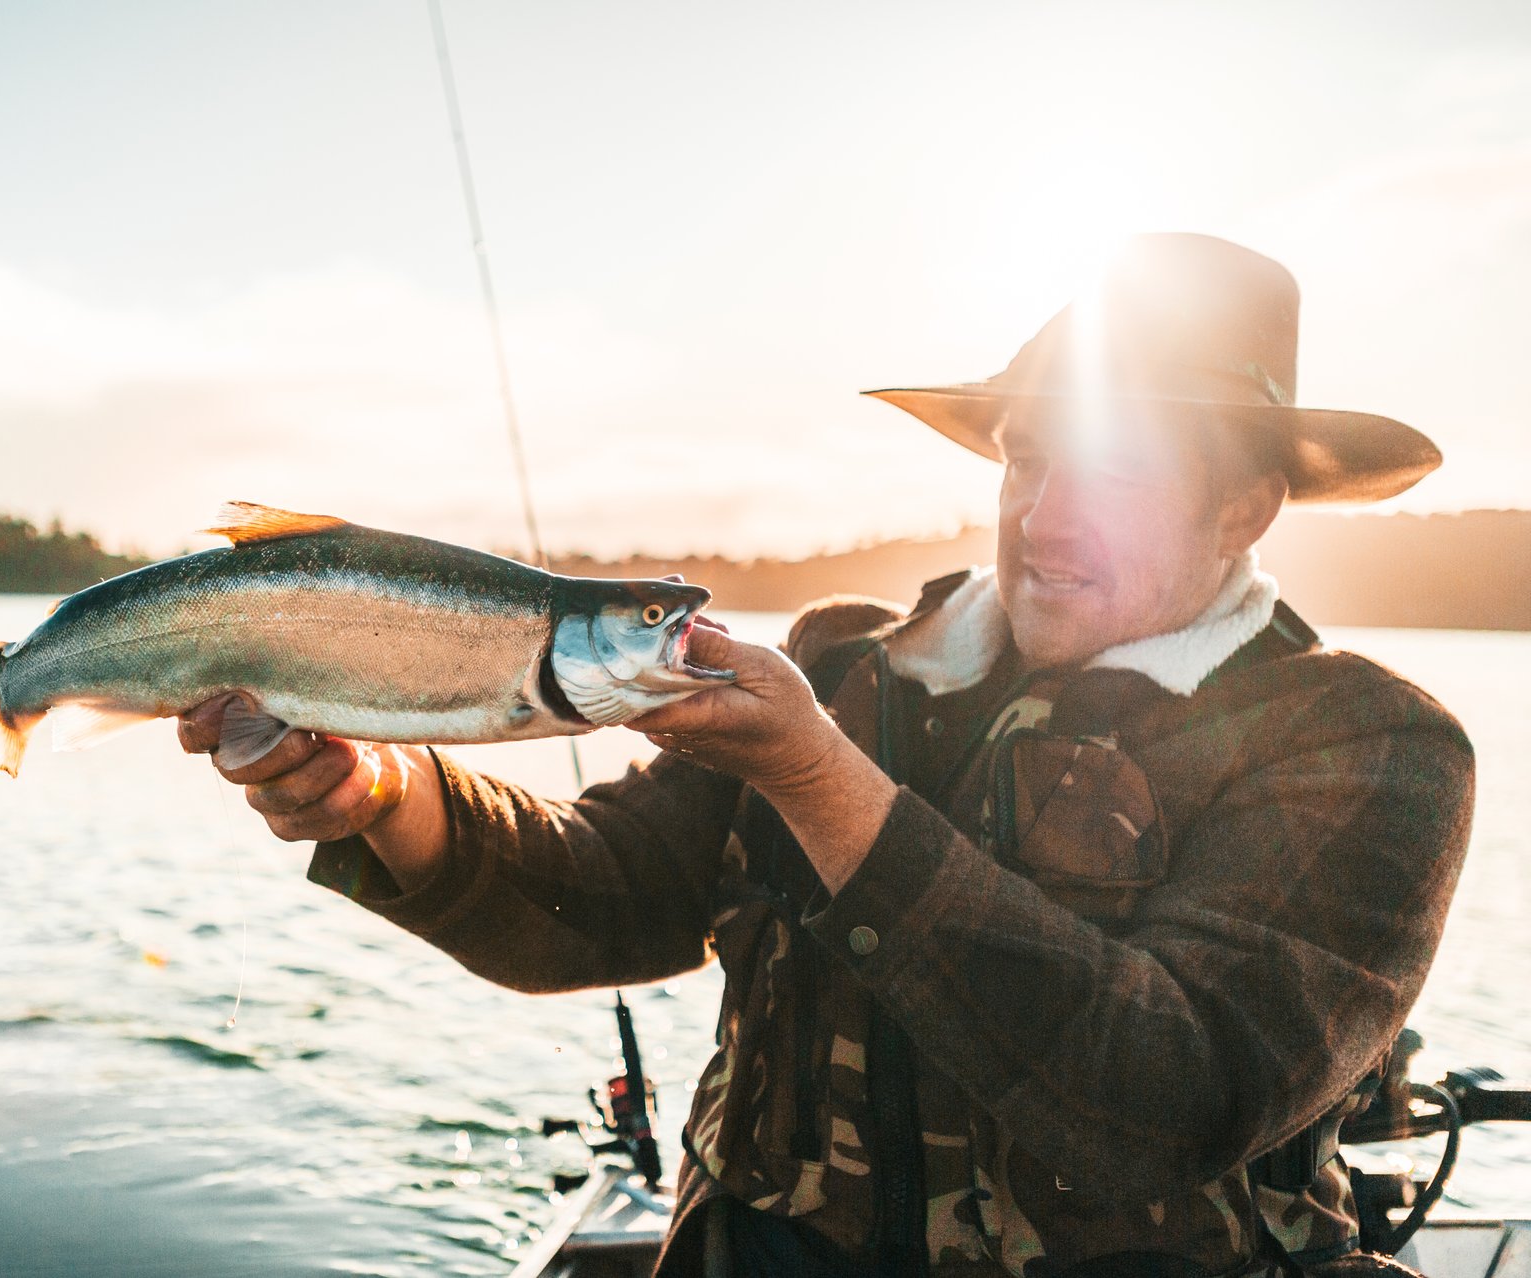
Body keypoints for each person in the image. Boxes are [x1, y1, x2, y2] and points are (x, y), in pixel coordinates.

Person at [178, 234, 1475, 1277]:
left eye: (1118, 469)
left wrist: (818, 778)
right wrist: (384, 793)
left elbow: (1172, 1097)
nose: (1042, 511)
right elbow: (599, 895)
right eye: (1029, 454)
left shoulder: (1370, 745)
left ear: (1244, 507)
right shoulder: (849, 661)